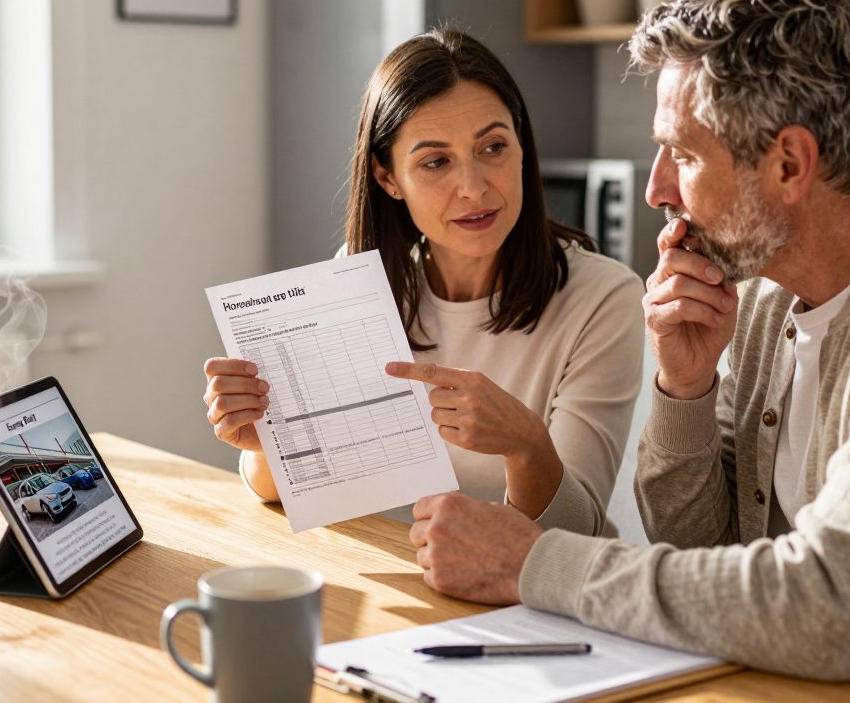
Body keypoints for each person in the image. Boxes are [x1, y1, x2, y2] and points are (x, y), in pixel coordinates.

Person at [402, 0, 850, 699]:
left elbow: (830, 608)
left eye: (682, 155)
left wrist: (533, 563)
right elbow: (698, 554)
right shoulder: (763, 295)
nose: (657, 189)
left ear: (788, 165)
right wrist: (684, 388)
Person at [202, 28, 645, 534]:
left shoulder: (603, 298)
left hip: (520, 597)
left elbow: (577, 532)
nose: (474, 188)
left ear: (522, 147)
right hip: (389, 574)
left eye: (494, 147)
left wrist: (526, 447)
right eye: (436, 162)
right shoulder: (359, 274)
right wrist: (268, 442)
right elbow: (278, 494)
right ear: (389, 178)